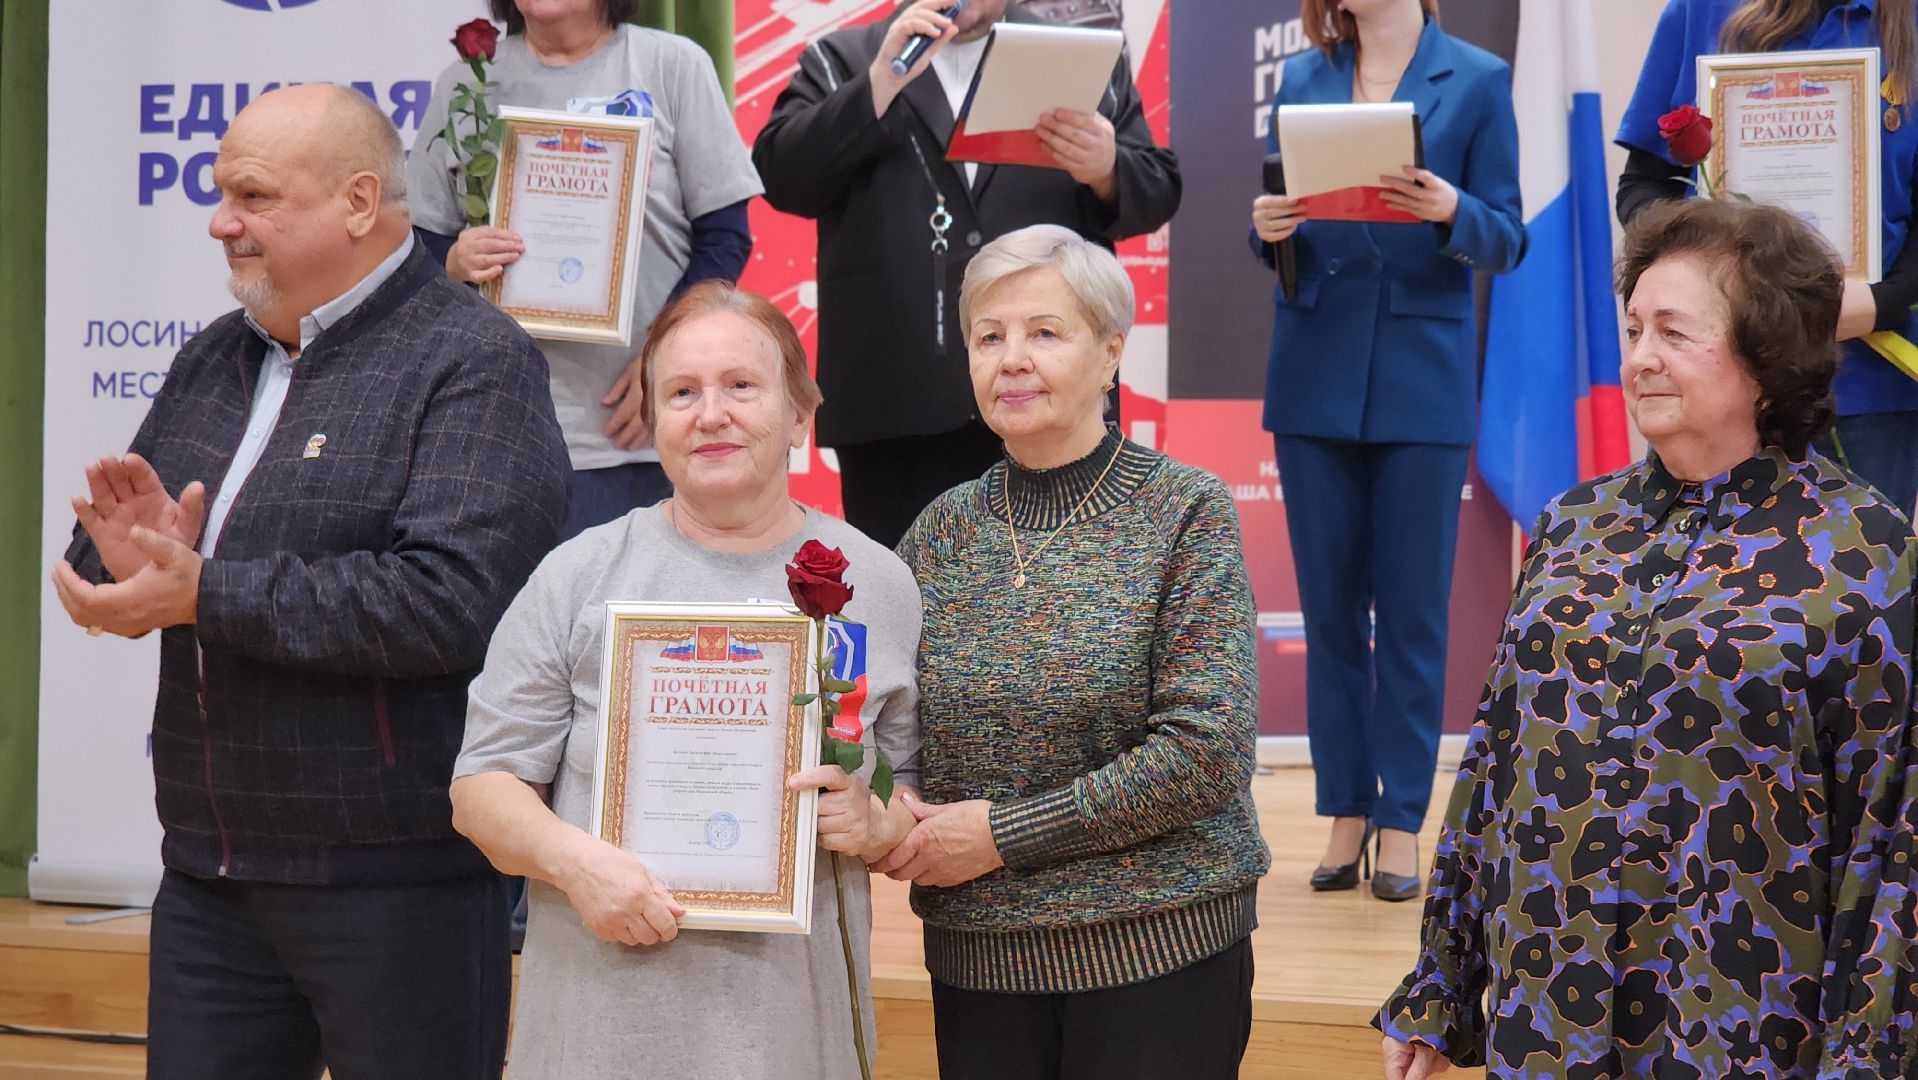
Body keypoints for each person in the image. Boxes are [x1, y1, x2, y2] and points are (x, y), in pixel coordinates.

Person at [49, 84, 569, 1079]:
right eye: (217, 192)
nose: (219, 222)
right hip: (208, 878)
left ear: (359, 202)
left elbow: (450, 605)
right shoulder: (214, 356)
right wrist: (120, 564)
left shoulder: (474, 360)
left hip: (399, 882)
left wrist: (205, 590)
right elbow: (136, 559)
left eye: (250, 196)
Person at [1378, 199, 1918, 1077]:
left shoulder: (1864, 551)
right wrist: (1443, 983)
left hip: (1736, 1024)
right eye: (1633, 329)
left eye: (1674, 332)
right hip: (1548, 1015)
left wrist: (1866, 1053)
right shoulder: (1572, 525)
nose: (1640, 360)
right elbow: (1495, 764)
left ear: (1766, 355)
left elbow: (1891, 841)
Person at [448, 280, 924, 1079]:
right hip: (598, 1028)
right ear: (653, 420)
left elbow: (908, 788)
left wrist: (879, 824)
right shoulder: (579, 575)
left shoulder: (876, 582)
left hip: (790, 1038)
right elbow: (480, 789)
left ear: (800, 412)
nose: (711, 414)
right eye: (681, 392)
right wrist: (575, 862)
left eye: (742, 386)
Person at [883, 225, 1269, 1080]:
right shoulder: (937, 533)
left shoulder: (1185, 511)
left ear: (1110, 355)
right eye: (990, 337)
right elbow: (891, 739)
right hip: (978, 964)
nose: (1011, 358)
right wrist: (883, 804)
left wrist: (1002, 836)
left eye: (1044, 332)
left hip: (1157, 956)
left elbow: (1206, 755)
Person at [1248, 0, 1524, 901]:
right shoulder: (1302, 76)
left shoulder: (1477, 80)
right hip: (1313, 370)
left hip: (1421, 376)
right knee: (1329, 613)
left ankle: (1403, 818)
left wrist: (1452, 209)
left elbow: (1509, 236)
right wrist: (1268, 226)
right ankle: (1345, 812)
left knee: (1411, 614)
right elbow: (1277, 231)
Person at [751, 0, 1181, 548]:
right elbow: (782, 176)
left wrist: (1107, 166)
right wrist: (881, 82)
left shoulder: (1073, 56)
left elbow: (1158, 190)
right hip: (895, 402)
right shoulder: (845, 58)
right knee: (904, 605)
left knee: (1060, 600)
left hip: (1052, 393)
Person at [410, 0, 764, 538]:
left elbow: (724, 237)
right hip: (494, 436)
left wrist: (667, 358)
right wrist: (454, 259)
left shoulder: (670, 64)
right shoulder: (466, 83)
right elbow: (416, 249)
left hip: (636, 432)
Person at [1616, 0, 1918, 516]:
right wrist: (1707, 273)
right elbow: (1643, 186)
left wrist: (1881, 301)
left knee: (1854, 582)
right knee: (1705, 582)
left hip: (1869, 375)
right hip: (1719, 372)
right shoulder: (1700, 11)